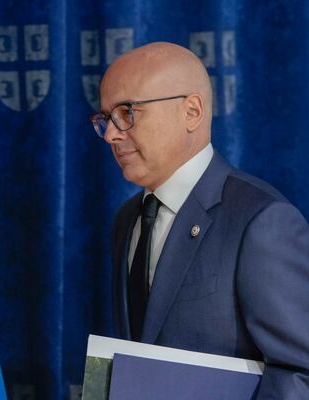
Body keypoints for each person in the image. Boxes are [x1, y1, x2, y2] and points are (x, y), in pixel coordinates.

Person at [90, 41, 309, 398]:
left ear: (191, 111)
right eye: (105, 119)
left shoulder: (262, 221)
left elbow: (302, 370)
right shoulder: (127, 220)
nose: (112, 134)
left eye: (127, 112)